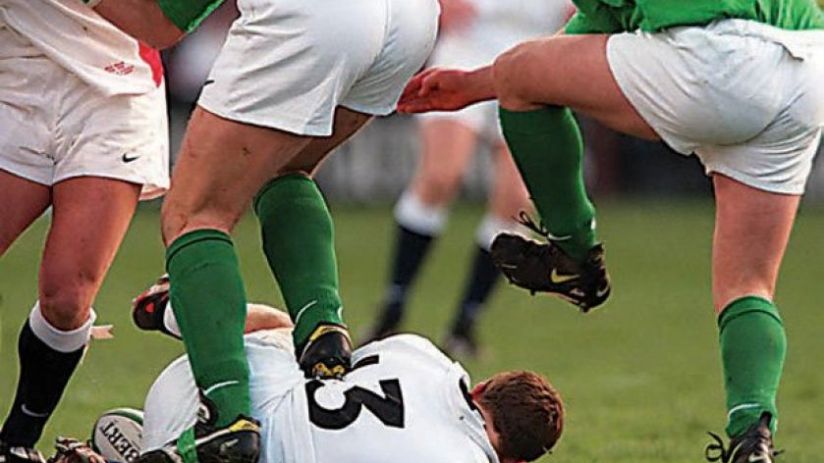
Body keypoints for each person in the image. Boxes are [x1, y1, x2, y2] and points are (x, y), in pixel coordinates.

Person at [397, 1, 824, 462]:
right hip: (806, 68)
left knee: (519, 74)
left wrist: (486, 81)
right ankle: (752, 435)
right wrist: (481, 82)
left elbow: (592, 24)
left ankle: (575, 253)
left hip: (717, 59)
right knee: (748, 284)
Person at [79, 0, 440, 460]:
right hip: (411, 20)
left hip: (319, 15)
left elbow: (162, 23)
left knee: (194, 215)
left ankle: (226, 420)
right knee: (287, 169)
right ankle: (322, 330)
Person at [0, 1, 169, 462]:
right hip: (15, 73)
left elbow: (168, 24)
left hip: (114, 89)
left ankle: (15, 443)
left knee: (67, 297)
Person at [128, 293, 565, 463]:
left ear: (481, 388)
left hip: (199, 387)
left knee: (295, 335)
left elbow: (330, 372)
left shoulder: (424, 356)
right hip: (215, 442)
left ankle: (177, 310)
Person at [366, 0, 572, 357]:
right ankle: (393, 306)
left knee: (516, 201)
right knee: (441, 176)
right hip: (468, 49)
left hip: (534, 58)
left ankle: (465, 322)